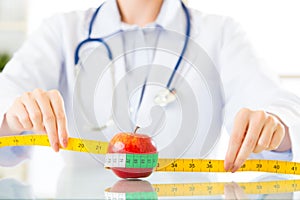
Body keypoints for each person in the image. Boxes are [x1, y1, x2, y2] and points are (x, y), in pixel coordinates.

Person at [0, 0, 299, 172]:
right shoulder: (61, 30)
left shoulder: (220, 33)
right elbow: (8, 91)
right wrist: (15, 113)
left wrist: (274, 126)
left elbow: (273, 103)